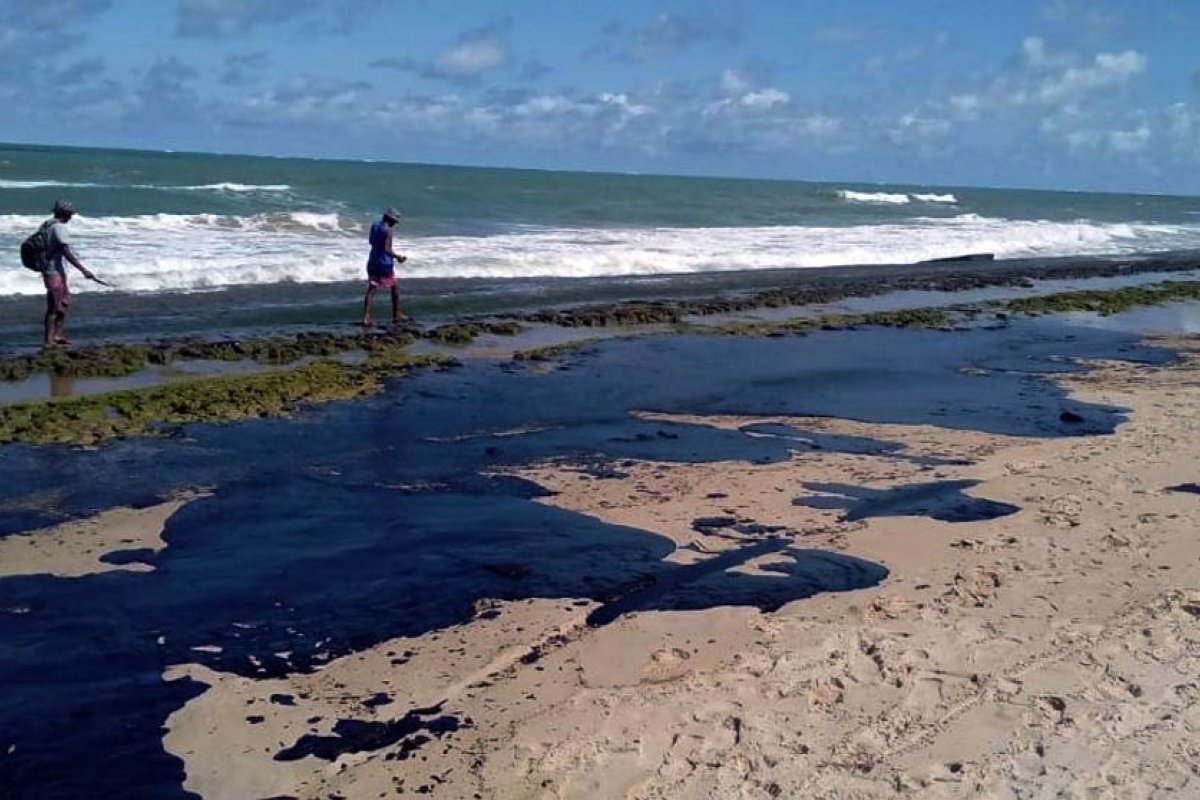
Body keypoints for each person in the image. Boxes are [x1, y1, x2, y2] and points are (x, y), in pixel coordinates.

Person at [40, 200, 96, 348]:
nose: (71, 217)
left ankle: (57, 335)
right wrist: (83, 270)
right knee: (53, 306)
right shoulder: (59, 228)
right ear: (65, 214)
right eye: (70, 214)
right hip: (54, 271)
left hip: (53, 269)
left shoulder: (47, 225)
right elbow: (66, 251)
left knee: (63, 303)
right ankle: (48, 340)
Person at [362, 207, 407, 327]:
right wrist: (398, 257)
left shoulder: (374, 226)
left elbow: (371, 242)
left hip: (372, 261)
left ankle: (366, 317)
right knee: (395, 288)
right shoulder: (388, 230)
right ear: (391, 219)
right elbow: (387, 249)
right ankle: (396, 313)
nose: (395, 224)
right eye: (394, 221)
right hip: (384, 263)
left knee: (371, 289)